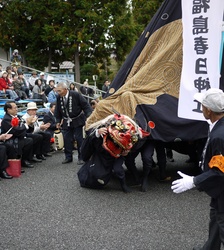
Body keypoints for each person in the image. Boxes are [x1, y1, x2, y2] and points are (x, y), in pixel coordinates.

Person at [171, 88, 224, 250]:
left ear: (208, 109)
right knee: (215, 217)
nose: (201, 108)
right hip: (219, 192)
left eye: (202, 105)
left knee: (222, 220)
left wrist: (194, 181)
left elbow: (220, 171)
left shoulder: (219, 136)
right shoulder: (217, 127)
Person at [54, 82, 92, 164]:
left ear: (65, 89)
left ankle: (81, 157)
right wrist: (57, 121)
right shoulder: (58, 97)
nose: (58, 92)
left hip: (77, 119)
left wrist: (88, 116)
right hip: (66, 120)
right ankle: (68, 157)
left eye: (59, 91)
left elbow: (86, 105)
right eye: (57, 91)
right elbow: (57, 110)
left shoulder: (75, 94)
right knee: (67, 139)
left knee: (79, 139)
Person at [1, 101, 35, 168]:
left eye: (16, 107)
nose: (16, 109)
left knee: (31, 140)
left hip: (20, 135)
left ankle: (25, 159)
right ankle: (17, 163)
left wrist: (30, 123)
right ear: (8, 109)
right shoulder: (6, 119)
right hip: (11, 138)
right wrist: (27, 124)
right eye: (15, 108)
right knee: (21, 142)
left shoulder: (17, 116)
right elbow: (16, 131)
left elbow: (24, 128)